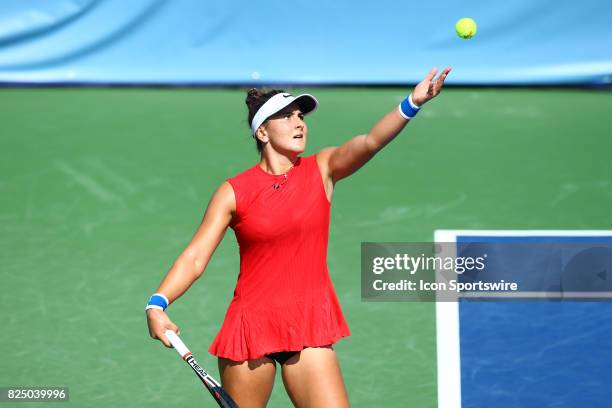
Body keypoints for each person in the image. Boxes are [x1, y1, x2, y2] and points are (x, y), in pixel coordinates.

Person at [146, 67, 451, 408]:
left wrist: (412, 103)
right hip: (251, 329)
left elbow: (371, 142)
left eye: (300, 116)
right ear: (262, 131)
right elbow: (195, 257)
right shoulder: (234, 191)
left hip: (308, 324)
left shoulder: (322, 168)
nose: (299, 123)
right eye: (286, 117)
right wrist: (157, 303)